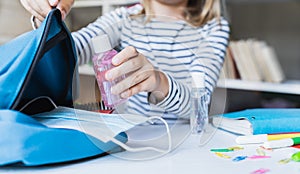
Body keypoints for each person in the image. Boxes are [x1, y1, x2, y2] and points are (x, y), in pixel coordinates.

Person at [21, 0, 230, 119]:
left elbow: (198, 106)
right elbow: (68, 51)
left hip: (187, 146)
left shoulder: (214, 28)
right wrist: (49, 18)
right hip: (137, 138)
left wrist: (159, 82)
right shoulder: (123, 18)